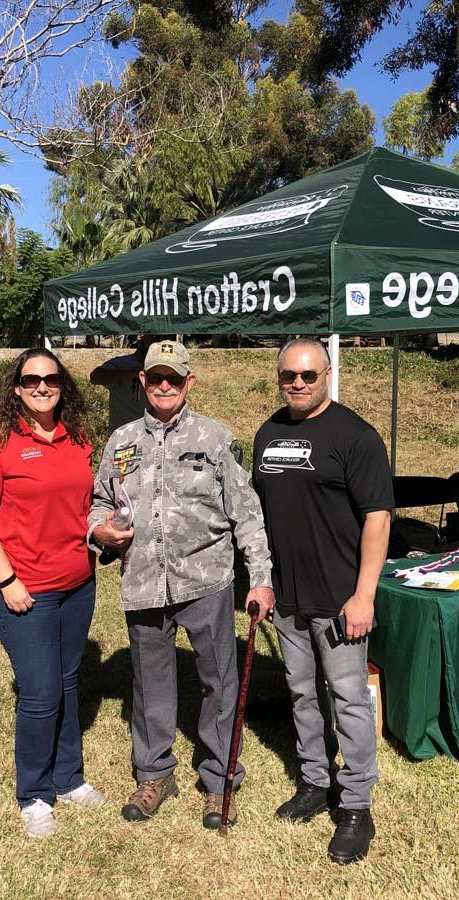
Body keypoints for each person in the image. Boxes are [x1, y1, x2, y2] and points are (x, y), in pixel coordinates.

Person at [88, 339, 275, 829]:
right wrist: (99, 533)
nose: (164, 385)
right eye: (155, 378)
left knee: (219, 682)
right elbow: (97, 506)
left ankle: (219, 779)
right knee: (149, 686)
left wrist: (261, 578)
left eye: (174, 377)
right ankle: (154, 774)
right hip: (144, 582)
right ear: (142, 383)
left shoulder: (215, 438)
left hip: (206, 581)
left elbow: (247, 513)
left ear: (189, 382)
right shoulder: (120, 442)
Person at [252, 337, 392, 865]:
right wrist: (262, 581)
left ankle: (355, 804)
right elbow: (260, 513)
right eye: (289, 374)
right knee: (302, 694)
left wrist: (364, 595)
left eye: (309, 375)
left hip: (339, 598)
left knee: (349, 698)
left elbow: (378, 517)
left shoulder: (356, 437)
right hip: (287, 597)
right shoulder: (269, 433)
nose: (298, 383)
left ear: (328, 374)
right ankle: (315, 780)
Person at [0, 348, 104, 839]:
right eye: (31, 380)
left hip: (77, 584)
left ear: (62, 384)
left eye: (51, 378)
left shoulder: (77, 438)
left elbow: (86, 505)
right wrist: (7, 581)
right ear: (16, 388)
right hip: (24, 588)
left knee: (66, 682)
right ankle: (35, 794)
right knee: (40, 691)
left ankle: (69, 779)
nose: (42, 387)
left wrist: (107, 533)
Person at [90, 334, 154, 434]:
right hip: (123, 437)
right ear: (140, 337)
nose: (156, 343)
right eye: (153, 337)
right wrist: (132, 373)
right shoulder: (121, 364)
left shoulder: (164, 367)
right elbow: (95, 377)